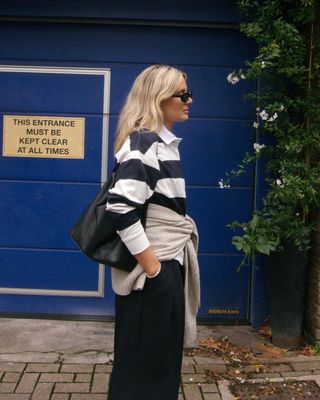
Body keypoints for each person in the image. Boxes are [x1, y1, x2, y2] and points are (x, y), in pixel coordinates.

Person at [106, 64, 200, 400]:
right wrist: (154, 269)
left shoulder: (162, 143)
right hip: (154, 273)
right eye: (182, 94)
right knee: (146, 367)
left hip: (165, 264)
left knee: (157, 363)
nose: (189, 100)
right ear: (159, 98)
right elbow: (120, 208)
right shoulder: (145, 143)